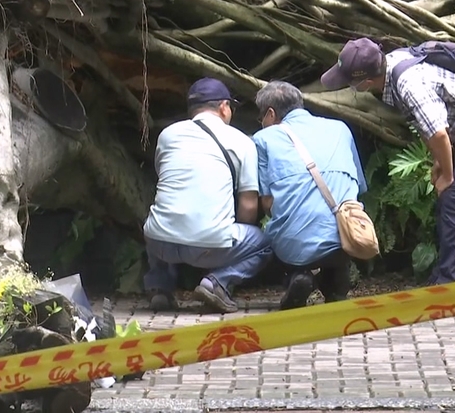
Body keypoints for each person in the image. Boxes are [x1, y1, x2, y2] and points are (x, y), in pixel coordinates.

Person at [319, 40, 455, 286]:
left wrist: (448, 175)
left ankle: (452, 283)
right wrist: (439, 162)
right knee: (450, 200)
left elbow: (438, 133)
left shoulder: (407, 82)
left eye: (350, 82)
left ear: (366, 82)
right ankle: (445, 276)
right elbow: (426, 124)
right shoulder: (393, 63)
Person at [143, 77, 273, 314]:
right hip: (209, 248)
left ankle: (159, 288)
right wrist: (229, 236)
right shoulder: (242, 141)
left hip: (160, 243)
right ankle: (217, 283)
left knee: (159, 219)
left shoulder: (167, 135)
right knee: (266, 244)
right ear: (224, 107)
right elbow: (248, 205)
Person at [251, 81, 368, 309]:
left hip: (293, 245)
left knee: (274, 233)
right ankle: (336, 284)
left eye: (260, 117)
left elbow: (267, 204)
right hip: (348, 236)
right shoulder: (340, 128)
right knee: (334, 228)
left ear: (271, 114)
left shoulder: (264, 139)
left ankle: (297, 277)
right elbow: (359, 188)